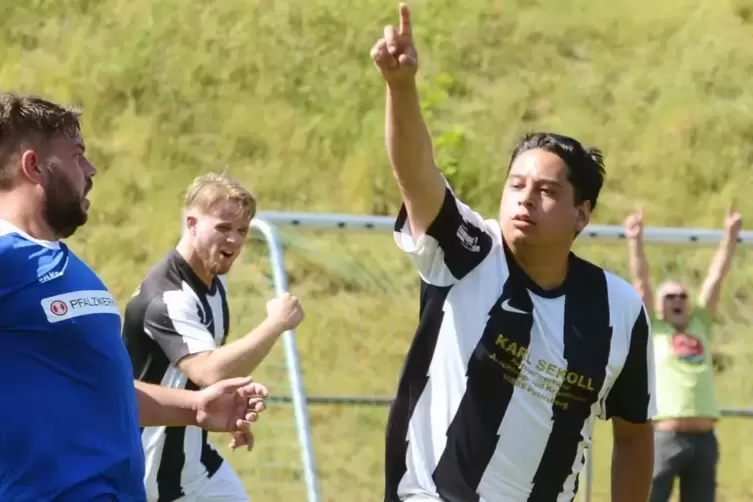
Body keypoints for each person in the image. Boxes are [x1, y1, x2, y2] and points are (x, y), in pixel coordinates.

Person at [370, 5, 657, 501]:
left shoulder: (620, 308)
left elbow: (633, 434)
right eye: (516, 184)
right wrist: (401, 88)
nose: (525, 197)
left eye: (546, 190)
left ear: (582, 215)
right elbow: (416, 175)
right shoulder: (470, 252)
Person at [0, 93, 268, 502]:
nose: (91, 170)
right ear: (34, 166)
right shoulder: (7, 255)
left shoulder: (71, 268)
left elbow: (103, 386)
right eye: (76, 156)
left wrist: (194, 408)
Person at [121, 172, 305, 502]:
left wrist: (231, 412)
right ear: (192, 224)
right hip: (150, 474)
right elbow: (210, 370)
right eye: (223, 228)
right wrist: (275, 323)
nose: (234, 240)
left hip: (197, 467)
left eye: (242, 230)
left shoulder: (212, 285)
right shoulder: (167, 297)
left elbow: (198, 376)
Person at [624, 206, 742, 502]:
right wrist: (634, 240)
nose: (677, 300)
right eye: (670, 296)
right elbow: (642, 282)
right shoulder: (656, 328)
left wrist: (730, 236)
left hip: (703, 439)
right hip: (665, 437)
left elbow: (716, 277)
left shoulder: (700, 323)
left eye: (682, 296)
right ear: (660, 304)